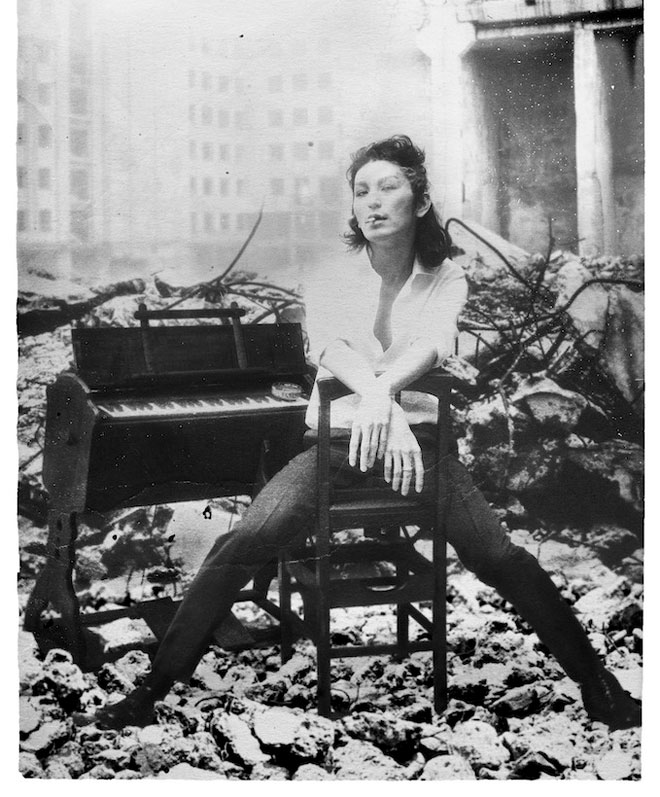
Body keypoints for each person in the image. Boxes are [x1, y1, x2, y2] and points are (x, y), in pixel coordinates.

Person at [91, 134, 640, 731]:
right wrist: (383, 399)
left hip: (420, 452)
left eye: (388, 187)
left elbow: (434, 344)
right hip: (335, 445)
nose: (372, 202)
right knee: (244, 541)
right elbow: (328, 347)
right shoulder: (331, 272)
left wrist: (385, 400)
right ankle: (151, 692)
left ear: (420, 202)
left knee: (496, 554)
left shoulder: (446, 277)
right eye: (361, 191)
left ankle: (599, 686)